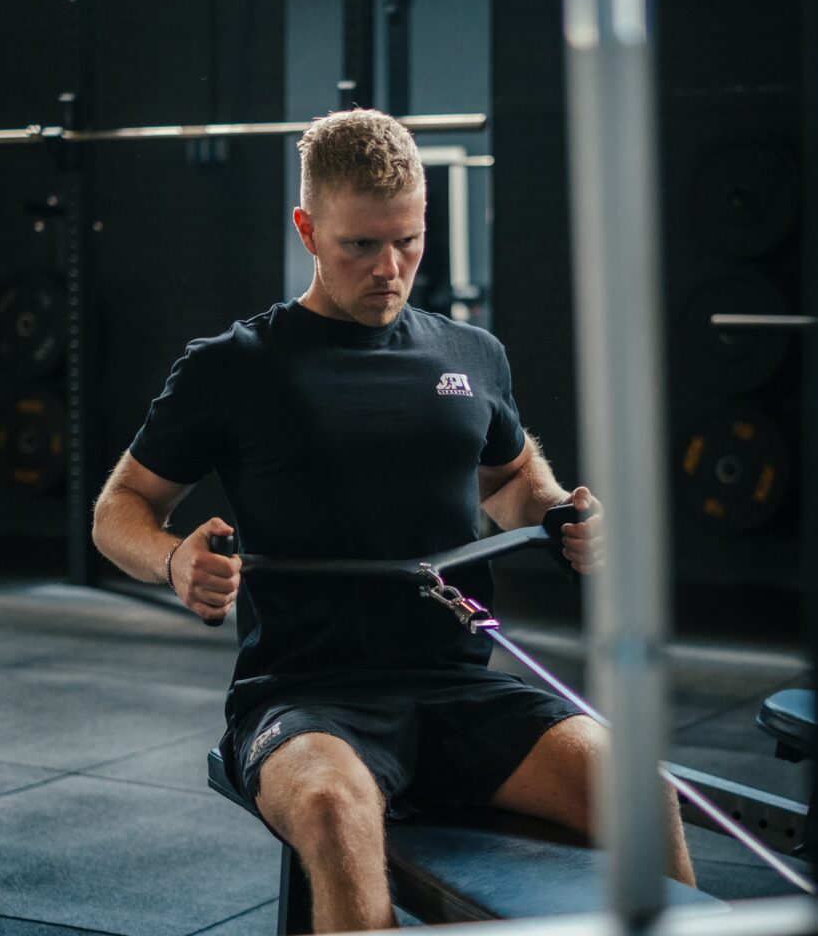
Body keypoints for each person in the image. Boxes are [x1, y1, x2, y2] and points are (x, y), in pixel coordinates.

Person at [92, 108, 695, 932]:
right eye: (360, 246)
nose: (391, 268)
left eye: (408, 241)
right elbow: (118, 510)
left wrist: (559, 512)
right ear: (307, 229)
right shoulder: (231, 367)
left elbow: (511, 475)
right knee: (340, 814)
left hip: (458, 685)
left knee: (640, 790)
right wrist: (172, 561)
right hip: (304, 698)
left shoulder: (469, 353)